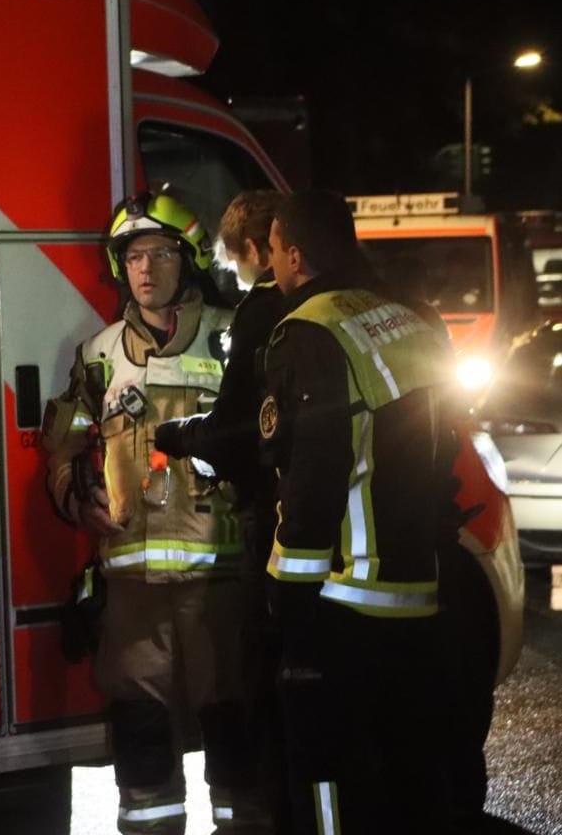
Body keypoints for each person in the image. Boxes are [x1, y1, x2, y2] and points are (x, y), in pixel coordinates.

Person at [44, 192, 262, 834]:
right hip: (132, 593)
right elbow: (63, 443)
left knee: (236, 740)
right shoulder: (99, 354)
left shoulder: (237, 338)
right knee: (140, 750)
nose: (143, 268)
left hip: (220, 583)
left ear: (188, 258)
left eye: (158, 253)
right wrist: (75, 495)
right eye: (132, 256)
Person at [259, 190, 458, 833]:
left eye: (270, 251)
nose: (270, 266)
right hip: (418, 592)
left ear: (292, 252)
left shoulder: (308, 330)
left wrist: (289, 603)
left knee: (324, 767)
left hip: (345, 599)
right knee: (409, 765)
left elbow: (313, 475)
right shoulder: (413, 317)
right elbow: (445, 443)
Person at [151, 189, 289, 833]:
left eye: (234, 265)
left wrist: (180, 437)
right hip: (362, 535)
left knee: (269, 681)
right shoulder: (348, 302)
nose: (232, 280)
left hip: (280, 528)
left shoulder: (262, 311)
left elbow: (238, 431)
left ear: (258, 251)